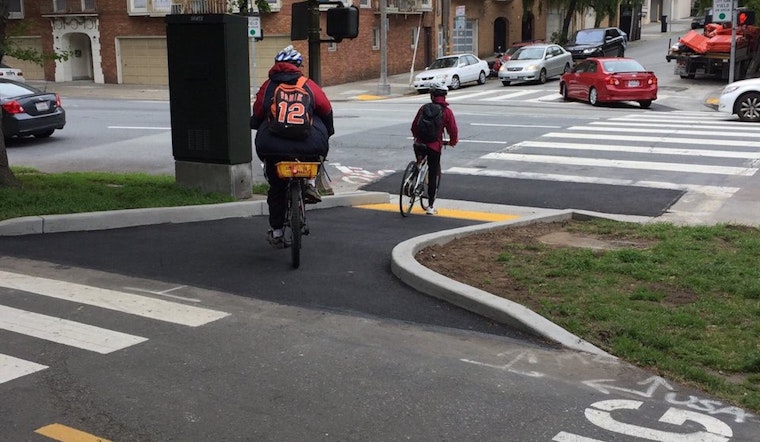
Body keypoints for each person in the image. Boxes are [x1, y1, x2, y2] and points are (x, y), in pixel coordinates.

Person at [250, 45, 335, 248]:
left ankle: (277, 232)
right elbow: (327, 110)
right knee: (318, 153)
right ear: (298, 66)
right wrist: (328, 132)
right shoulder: (309, 85)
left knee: (277, 188)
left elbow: (257, 115)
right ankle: (311, 184)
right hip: (309, 145)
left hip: (272, 146)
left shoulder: (268, 86)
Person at [410, 82, 458, 216]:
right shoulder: (447, 112)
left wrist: (416, 137)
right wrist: (452, 142)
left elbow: (414, 126)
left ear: (431, 96)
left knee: (419, 160)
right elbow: (453, 130)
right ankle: (430, 206)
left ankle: (413, 176)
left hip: (419, 144)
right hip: (434, 146)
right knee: (432, 173)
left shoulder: (423, 108)